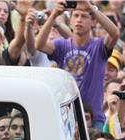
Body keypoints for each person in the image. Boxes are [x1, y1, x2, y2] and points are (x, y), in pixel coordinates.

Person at [35, 0, 120, 129]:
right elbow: (39, 45)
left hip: (94, 118)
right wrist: (53, 16)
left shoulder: (98, 46)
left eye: (84, 16)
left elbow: (115, 33)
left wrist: (91, 9)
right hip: (66, 115)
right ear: (70, 21)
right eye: (76, 15)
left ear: (93, 22)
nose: (79, 20)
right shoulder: (61, 45)